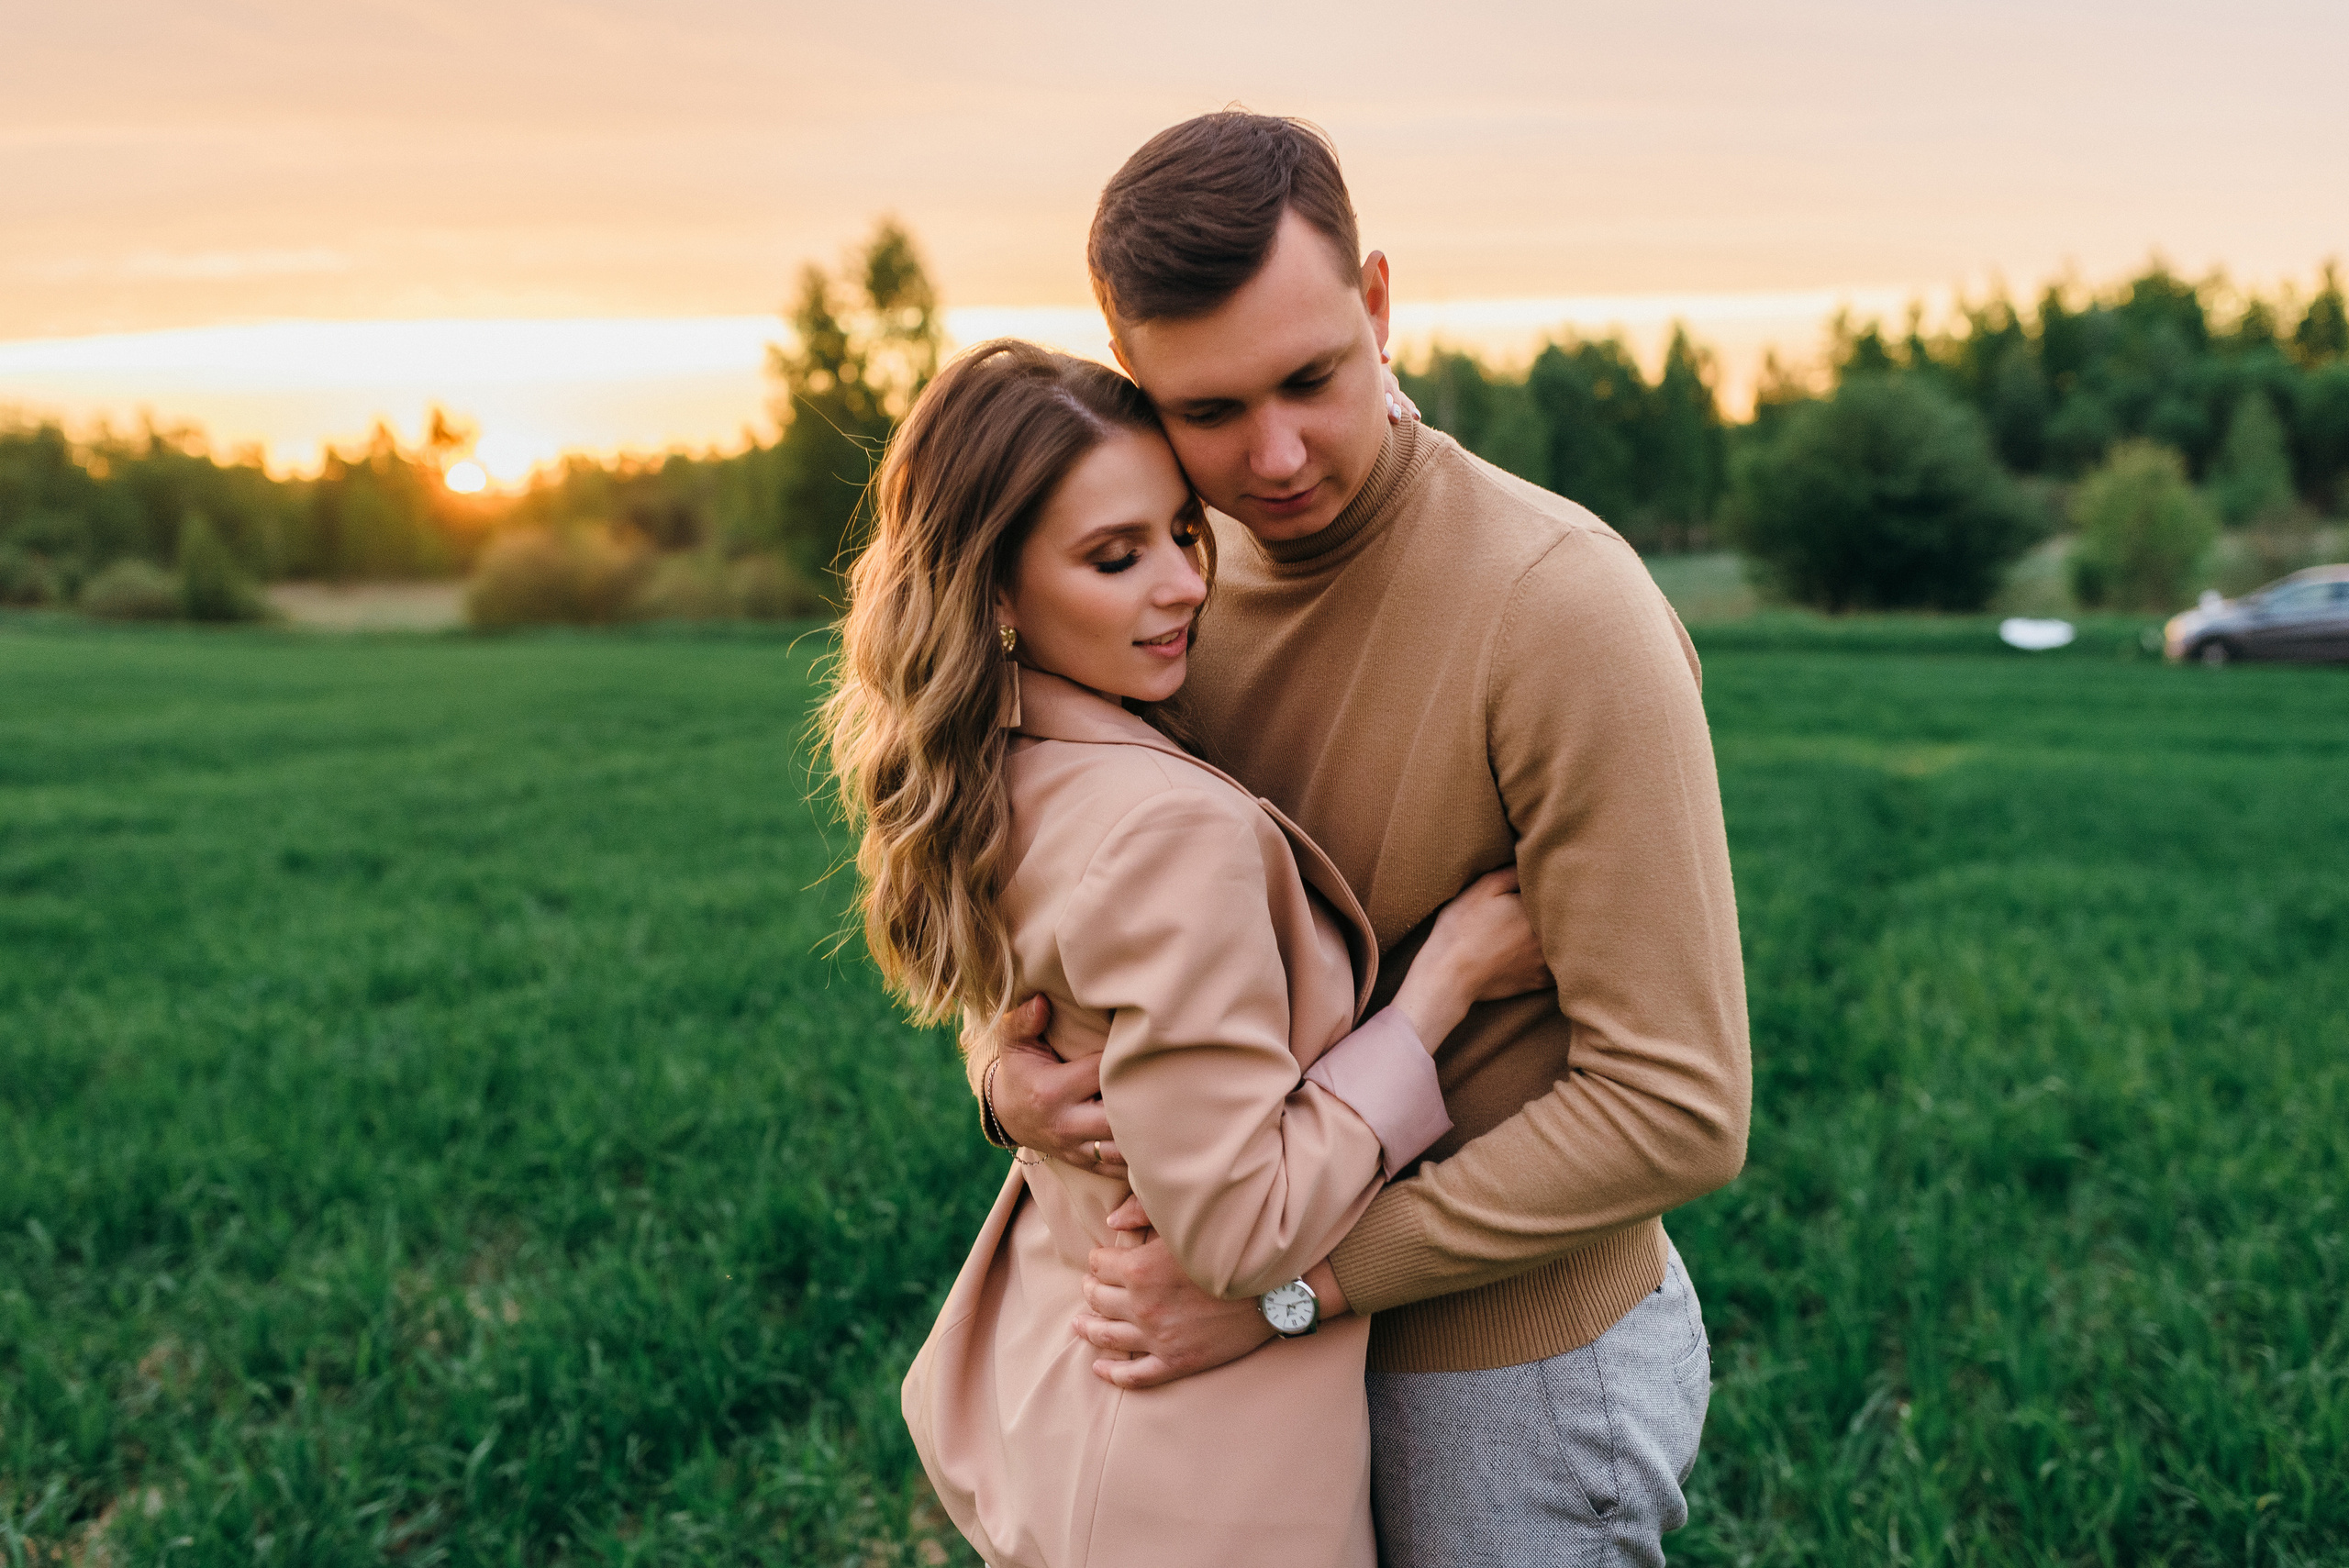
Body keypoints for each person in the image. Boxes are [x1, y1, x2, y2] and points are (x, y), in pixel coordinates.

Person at [980, 112, 1753, 1565]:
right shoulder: (1163, 602)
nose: (1274, 455)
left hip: (1503, 1374)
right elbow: (1086, 914)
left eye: (1313, 379)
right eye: (1208, 413)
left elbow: (1680, 1103)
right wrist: (1004, 1077)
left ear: (1380, 303)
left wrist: (1297, 1284)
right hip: (1252, 1357)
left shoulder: (1561, 609)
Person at [824, 339, 1553, 1567]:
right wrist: (1439, 995)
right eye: (1116, 558)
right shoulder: (1172, 831)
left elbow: (1049, 1016)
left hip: (1076, 1425)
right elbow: (1242, 1228)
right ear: (997, 593)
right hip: (1202, 1487)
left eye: (1180, 532)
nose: (1182, 587)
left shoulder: (989, 774)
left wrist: (1002, 1080)